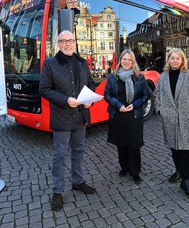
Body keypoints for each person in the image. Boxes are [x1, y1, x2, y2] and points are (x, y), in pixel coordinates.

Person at [39, 30, 97, 211]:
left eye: (70, 40)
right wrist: (65, 100)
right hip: (62, 117)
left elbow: (91, 84)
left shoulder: (82, 63)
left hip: (80, 116)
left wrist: (89, 101)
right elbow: (44, 89)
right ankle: (57, 191)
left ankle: (78, 181)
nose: (67, 44)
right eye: (63, 41)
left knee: (78, 151)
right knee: (60, 155)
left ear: (75, 43)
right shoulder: (50, 64)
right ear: (58, 44)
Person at [154, 48, 189, 198]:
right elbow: (157, 95)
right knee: (174, 147)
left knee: (186, 150)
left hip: (186, 119)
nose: (175, 60)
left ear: (182, 60)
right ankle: (179, 170)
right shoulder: (162, 77)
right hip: (169, 119)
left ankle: (185, 180)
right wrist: (160, 110)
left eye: (178, 58)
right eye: (172, 58)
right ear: (168, 60)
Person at [104, 49, 151, 184]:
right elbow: (107, 94)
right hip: (118, 115)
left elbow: (146, 95)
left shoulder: (139, 77)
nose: (126, 62)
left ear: (133, 62)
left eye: (129, 59)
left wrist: (135, 104)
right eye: (124, 59)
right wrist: (118, 105)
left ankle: (135, 172)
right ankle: (124, 167)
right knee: (121, 143)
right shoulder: (113, 76)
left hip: (134, 115)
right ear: (120, 61)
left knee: (134, 144)